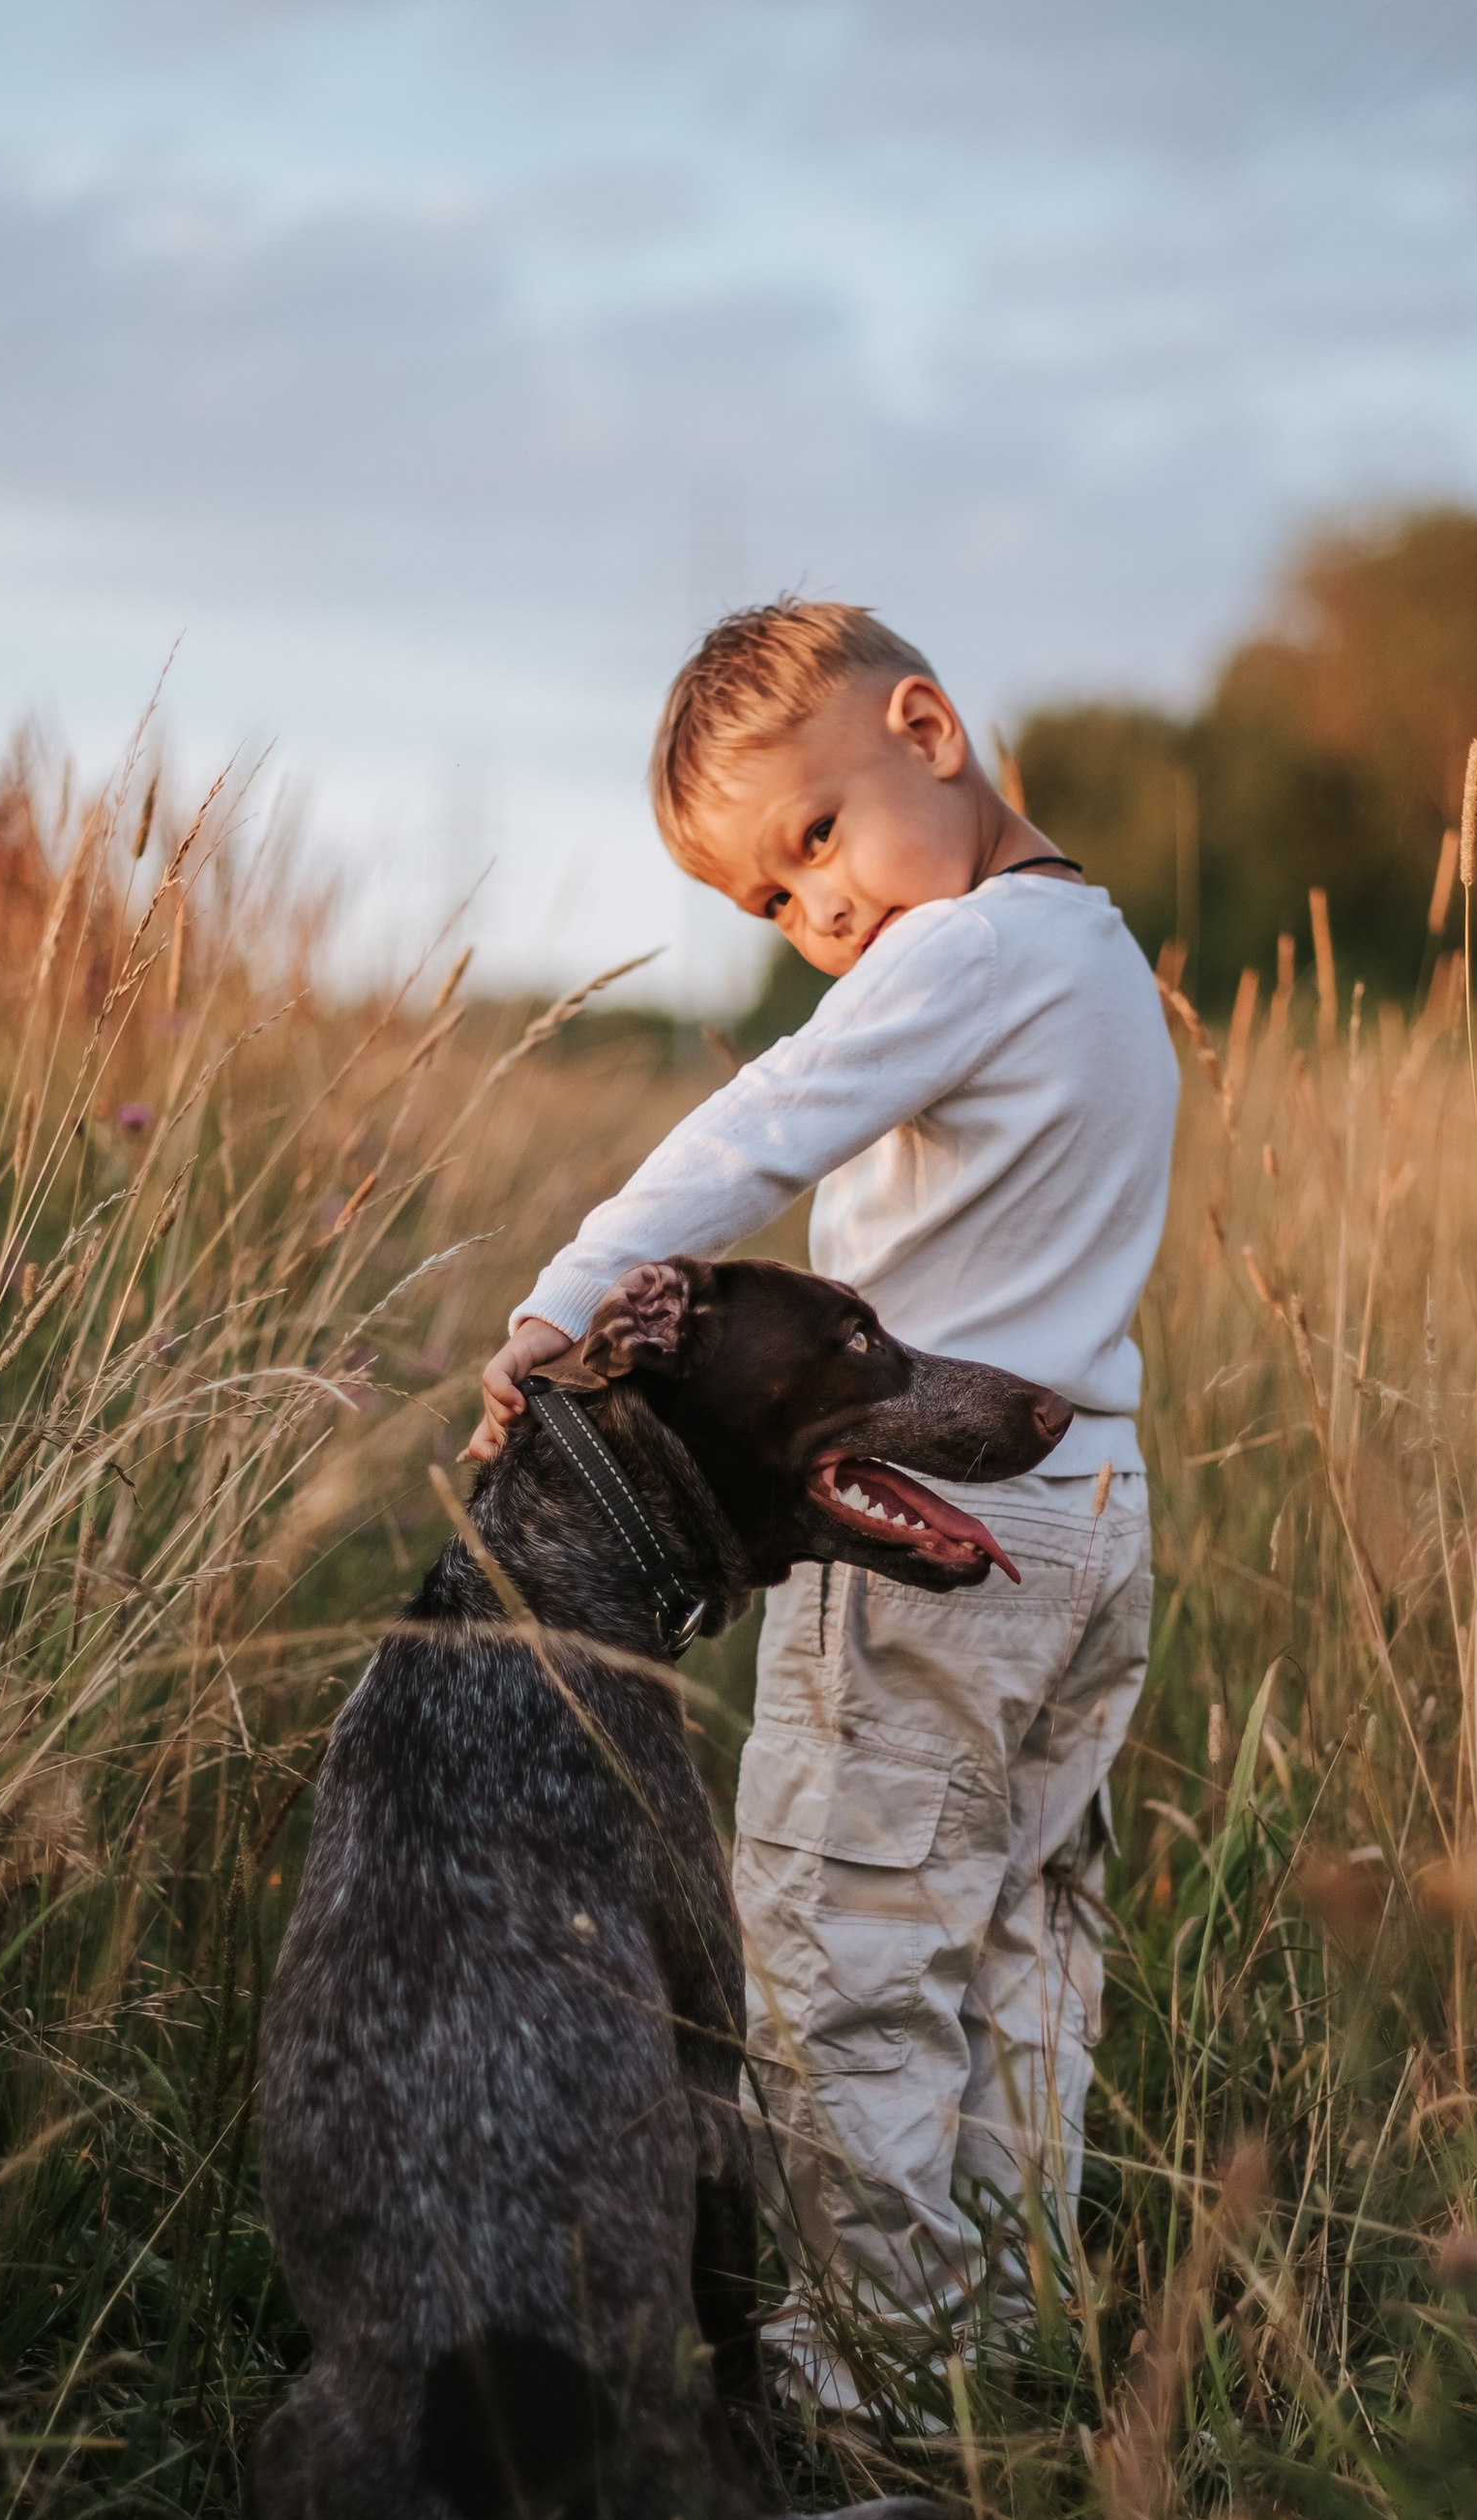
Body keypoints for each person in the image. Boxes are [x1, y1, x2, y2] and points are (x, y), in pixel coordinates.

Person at [469, 598, 1179, 2415]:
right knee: (1025, 1940)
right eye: (775, 907)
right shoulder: (1090, 949)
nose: (822, 918)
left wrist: (576, 1286)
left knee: (845, 1945)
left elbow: (765, 1124)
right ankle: (1009, 2330)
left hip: (922, 1521)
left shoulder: (956, 957)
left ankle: (878, 2369)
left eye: (814, 839)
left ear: (928, 730)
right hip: (1088, 1510)